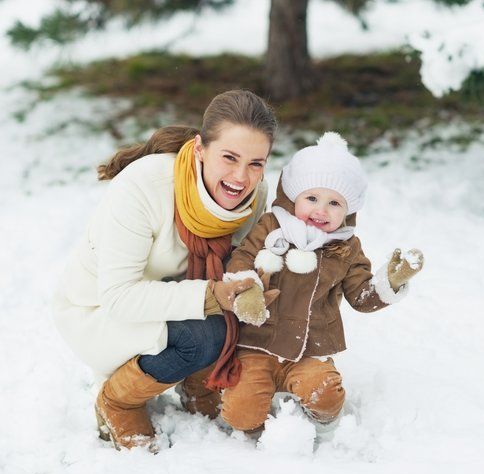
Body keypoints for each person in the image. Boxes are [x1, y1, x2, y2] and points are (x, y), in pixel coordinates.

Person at [52, 89, 277, 451]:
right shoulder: (145, 186)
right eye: (229, 157)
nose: (241, 177)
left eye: (256, 163)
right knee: (201, 335)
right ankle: (117, 401)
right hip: (98, 312)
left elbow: (238, 265)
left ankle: (197, 384)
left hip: (169, 298)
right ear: (201, 148)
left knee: (238, 319)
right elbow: (119, 297)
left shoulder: (253, 195)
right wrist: (210, 296)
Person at [211, 132, 424, 433]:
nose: (321, 210)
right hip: (257, 344)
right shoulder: (272, 227)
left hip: (310, 348)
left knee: (325, 395)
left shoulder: (346, 246)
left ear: (348, 210)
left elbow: (361, 296)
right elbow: (242, 259)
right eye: (311, 198)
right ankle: (253, 408)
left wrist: (390, 281)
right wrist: (246, 290)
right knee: (242, 415)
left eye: (334, 202)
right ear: (294, 196)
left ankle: (321, 418)